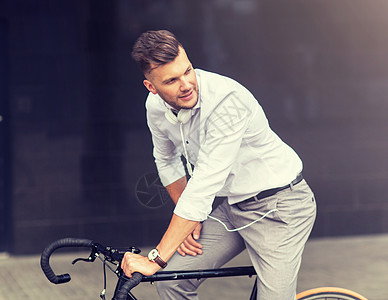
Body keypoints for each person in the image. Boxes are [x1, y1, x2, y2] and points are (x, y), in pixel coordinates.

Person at [121, 29, 316, 300]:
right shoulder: (155, 106)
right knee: (171, 282)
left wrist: (156, 258)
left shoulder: (226, 101)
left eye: (188, 70)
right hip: (232, 209)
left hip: (280, 208)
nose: (187, 84)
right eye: (172, 80)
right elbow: (166, 161)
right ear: (151, 87)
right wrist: (188, 222)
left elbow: (203, 185)